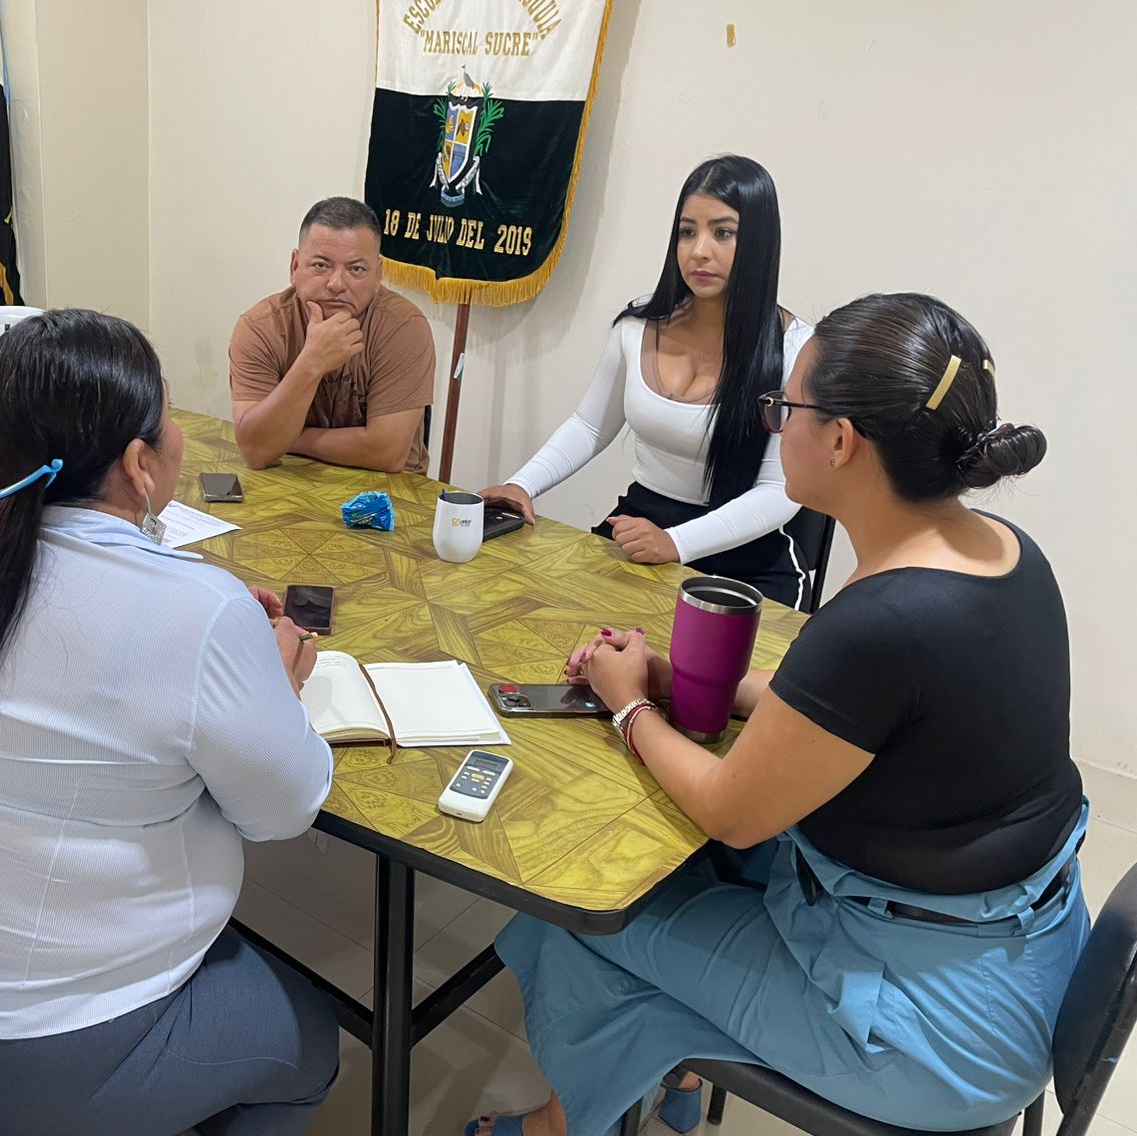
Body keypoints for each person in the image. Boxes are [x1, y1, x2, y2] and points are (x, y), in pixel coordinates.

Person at [474, 294, 1088, 1136]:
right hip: (1023, 958)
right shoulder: (1003, 551)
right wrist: (677, 679)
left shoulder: (882, 620)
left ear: (841, 441)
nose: (774, 425)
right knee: (674, 873)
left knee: (582, 914)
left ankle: (566, 1121)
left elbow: (730, 811)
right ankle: (668, 1080)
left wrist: (628, 706)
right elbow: (848, 712)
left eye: (783, 407)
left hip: (931, 1031)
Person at [0, 309, 339, 1136]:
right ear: (140, 465)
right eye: (170, 419)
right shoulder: (202, 609)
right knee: (311, 1045)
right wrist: (277, 683)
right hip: (26, 1067)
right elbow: (282, 811)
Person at [480, 155, 815, 607]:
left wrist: (676, 543)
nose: (699, 250)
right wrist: (522, 484)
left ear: (759, 240)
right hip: (640, 531)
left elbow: (780, 491)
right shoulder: (638, 325)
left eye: (723, 233)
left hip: (748, 560)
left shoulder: (797, 348)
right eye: (687, 232)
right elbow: (589, 426)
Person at [230, 196, 436, 474]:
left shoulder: (403, 327)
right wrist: (312, 363)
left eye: (356, 269)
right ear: (295, 267)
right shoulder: (261, 328)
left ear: (378, 275)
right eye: (321, 265)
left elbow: (387, 453)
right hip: (287, 478)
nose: (337, 284)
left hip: (388, 490)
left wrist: (287, 439)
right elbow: (256, 452)